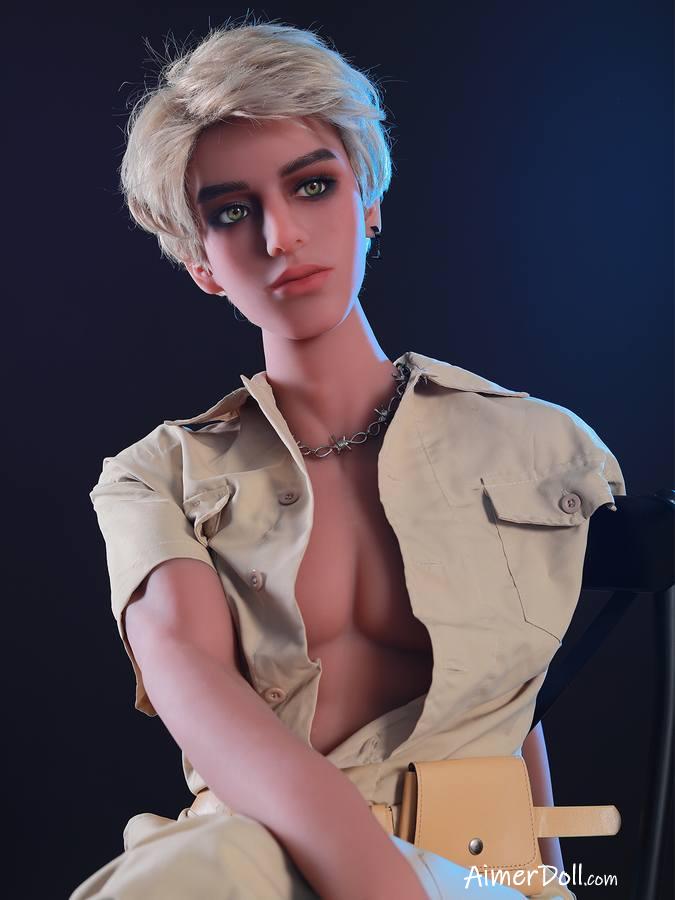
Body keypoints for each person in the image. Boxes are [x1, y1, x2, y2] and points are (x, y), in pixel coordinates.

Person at [70, 17, 626, 900]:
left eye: (313, 186)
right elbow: (192, 683)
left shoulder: (545, 447)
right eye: (231, 212)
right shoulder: (154, 477)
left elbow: (515, 698)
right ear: (201, 263)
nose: (280, 236)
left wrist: (540, 877)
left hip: (476, 869)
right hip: (253, 860)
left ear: (368, 200)